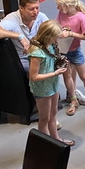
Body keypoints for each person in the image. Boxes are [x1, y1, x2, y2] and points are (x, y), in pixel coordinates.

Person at [27, 19, 72, 147]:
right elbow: (33, 76)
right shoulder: (36, 52)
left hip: (52, 85)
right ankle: (46, 145)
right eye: (55, 37)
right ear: (48, 36)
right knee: (44, 118)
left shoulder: (50, 45)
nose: (57, 40)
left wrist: (60, 64)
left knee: (53, 114)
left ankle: (56, 140)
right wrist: (55, 74)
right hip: (42, 89)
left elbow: (52, 61)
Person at [55, 0, 85, 115]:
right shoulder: (61, 13)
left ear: (67, 5)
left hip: (75, 50)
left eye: (59, 4)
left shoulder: (81, 17)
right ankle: (73, 100)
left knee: (84, 76)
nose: (57, 7)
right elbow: (57, 23)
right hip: (63, 50)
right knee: (67, 76)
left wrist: (71, 33)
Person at [0, 0, 48, 71]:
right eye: (31, 9)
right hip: (22, 59)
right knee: (38, 71)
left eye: (37, 8)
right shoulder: (12, 19)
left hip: (38, 54)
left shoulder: (41, 17)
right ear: (21, 8)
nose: (35, 12)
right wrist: (19, 36)